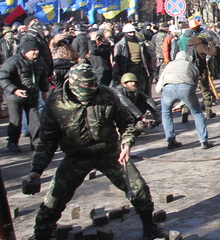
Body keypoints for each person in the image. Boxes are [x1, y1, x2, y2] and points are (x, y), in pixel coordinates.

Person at [23, 64, 166, 240]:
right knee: (54, 198)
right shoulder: (56, 104)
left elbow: (126, 123)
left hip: (110, 153)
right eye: (87, 86)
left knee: (139, 189)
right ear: (74, 85)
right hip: (77, 157)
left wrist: (127, 144)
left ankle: (150, 227)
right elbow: (47, 142)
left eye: (94, 84)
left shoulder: (107, 95)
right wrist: (36, 170)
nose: (92, 88)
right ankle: (42, 234)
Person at [155, 51, 213, 150]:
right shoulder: (192, 66)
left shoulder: (169, 65)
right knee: (197, 113)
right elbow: (193, 87)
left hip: (168, 87)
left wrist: (163, 95)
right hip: (186, 87)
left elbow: (159, 85)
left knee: (165, 112)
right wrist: (182, 103)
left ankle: (170, 141)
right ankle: (203, 141)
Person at [0, 40, 48, 152]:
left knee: (35, 120)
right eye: (33, 50)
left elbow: (43, 77)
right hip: (15, 97)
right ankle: (12, 143)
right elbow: (2, 78)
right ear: (25, 51)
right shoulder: (13, 62)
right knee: (16, 120)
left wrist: (44, 90)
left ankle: (36, 143)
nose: (36, 52)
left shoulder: (39, 61)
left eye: (37, 50)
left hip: (32, 95)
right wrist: (14, 90)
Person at [113, 23, 153, 95]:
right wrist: (117, 74)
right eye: (129, 32)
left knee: (142, 90)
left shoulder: (141, 43)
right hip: (128, 69)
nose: (132, 34)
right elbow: (116, 60)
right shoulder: (120, 45)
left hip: (140, 68)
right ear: (125, 33)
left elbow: (148, 56)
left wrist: (150, 69)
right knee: (130, 90)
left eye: (133, 32)